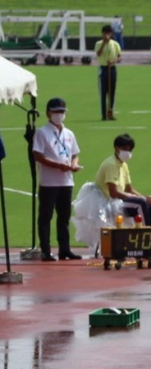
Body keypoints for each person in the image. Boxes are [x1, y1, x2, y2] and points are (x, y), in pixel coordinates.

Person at [95, 134, 151, 255]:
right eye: (125, 149)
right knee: (140, 204)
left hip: (121, 200)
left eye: (130, 150)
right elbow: (113, 192)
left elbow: (129, 188)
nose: (128, 152)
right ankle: (147, 243)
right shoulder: (111, 165)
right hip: (110, 203)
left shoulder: (123, 165)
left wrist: (143, 196)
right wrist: (135, 198)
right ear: (117, 148)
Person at [32, 97, 83, 261]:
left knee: (64, 217)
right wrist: (58, 165)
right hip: (49, 182)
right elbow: (38, 155)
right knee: (46, 217)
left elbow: (75, 154)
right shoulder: (42, 132)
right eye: (56, 112)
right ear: (48, 113)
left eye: (62, 112)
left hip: (66, 181)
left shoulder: (69, 133)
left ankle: (65, 249)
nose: (60, 115)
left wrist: (74, 165)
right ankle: (46, 250)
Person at [94, 25, 121, 122]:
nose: (106, 35)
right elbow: (98, 54)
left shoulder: (115, 44)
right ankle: (103, 115)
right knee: (103, 93)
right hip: (104, 69)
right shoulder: (98, 43)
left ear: (111, 34)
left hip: (112, 69)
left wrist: (114, 61)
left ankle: (111, 113)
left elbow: (119, 57)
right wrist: (103, 44)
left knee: (112, 93)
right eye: (105, 33)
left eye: (108, 33)